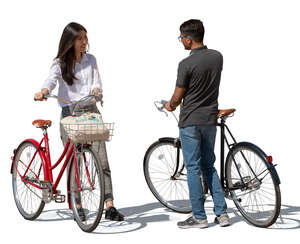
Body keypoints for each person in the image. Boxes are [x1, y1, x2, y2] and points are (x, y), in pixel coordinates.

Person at [34, 22, 124, 221]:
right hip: (70, 113)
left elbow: (96, 82)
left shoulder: (91, 59)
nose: (84, 42)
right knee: (76, 162)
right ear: (70, 41)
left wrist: (97, 91)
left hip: (91, 111)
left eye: (85, 37)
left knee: (102, 159)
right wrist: (44, 91)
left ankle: (109, 205)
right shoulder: (59, 63)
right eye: (80, 38)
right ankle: (77, 204)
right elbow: (51, 79)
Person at [165, 19, 230, 228]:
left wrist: (170, 105)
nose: (180, 41)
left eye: (181, 37)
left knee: (192, 167)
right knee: (209, 165)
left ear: (189, 39)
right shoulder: (217, 57)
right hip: (210, 120)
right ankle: (222, 214)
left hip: (190, 121)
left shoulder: (185, 64)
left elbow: (177, 97)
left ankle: (199, 217)